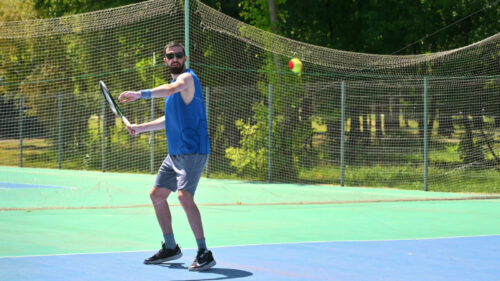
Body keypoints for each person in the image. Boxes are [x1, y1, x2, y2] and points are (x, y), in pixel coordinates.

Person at [118, 41, 215, 271]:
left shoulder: (188, 79)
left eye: (179, 55)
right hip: (175, 154)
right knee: (157, 195)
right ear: (165, 60)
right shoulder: (172, 92)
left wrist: (139, 94)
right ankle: (171, 247)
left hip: (193, 151)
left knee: (183, 196)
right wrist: (140, 127)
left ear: (185, 57)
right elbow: (167, 121)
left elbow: (171, 88)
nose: (175, 59)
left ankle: (204, 252)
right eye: (170, 56)